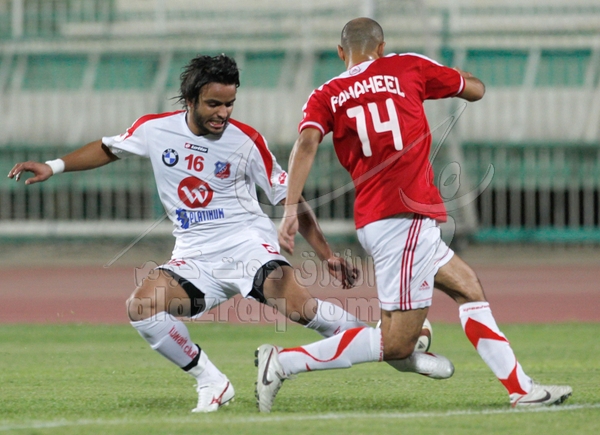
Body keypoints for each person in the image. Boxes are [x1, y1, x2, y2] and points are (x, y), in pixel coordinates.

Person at [7, 54, 373, 413]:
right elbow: (108, 148)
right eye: (214, 104)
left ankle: (378, 341)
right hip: (194, 256)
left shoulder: (247, 141)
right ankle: (212, 382)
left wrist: (327, 256)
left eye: (229, 103)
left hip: (247, 245)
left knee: (302, 310)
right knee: (141, 307)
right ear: (190, 100)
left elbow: (291, 197)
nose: (223, 113)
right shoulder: (154, 130)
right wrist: (54, 166)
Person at [255, 18, 573, 412]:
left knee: (468, 288)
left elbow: (305, 144)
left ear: (341, 53)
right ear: (381, 47)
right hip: (403, 217)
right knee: (397, 344)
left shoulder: (327, 94)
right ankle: (282, 363)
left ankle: (521, 389)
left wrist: (290, 208)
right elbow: (474, 89)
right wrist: (461, 77)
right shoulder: (407, 65)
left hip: (381, 217)